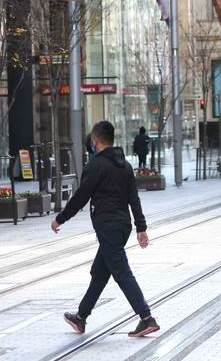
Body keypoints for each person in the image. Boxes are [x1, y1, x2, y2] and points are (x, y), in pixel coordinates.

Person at [53, 121, 159, 338]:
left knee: (122, 272)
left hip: (107, 226)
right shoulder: (125, 165)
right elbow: (134, 198)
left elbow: (81, 196)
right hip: (122, 226)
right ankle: (81, 317)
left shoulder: (96, 166)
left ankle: (147, 318)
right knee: (100, 273)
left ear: (95, 140)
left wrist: (61, 219)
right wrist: (141, 227)